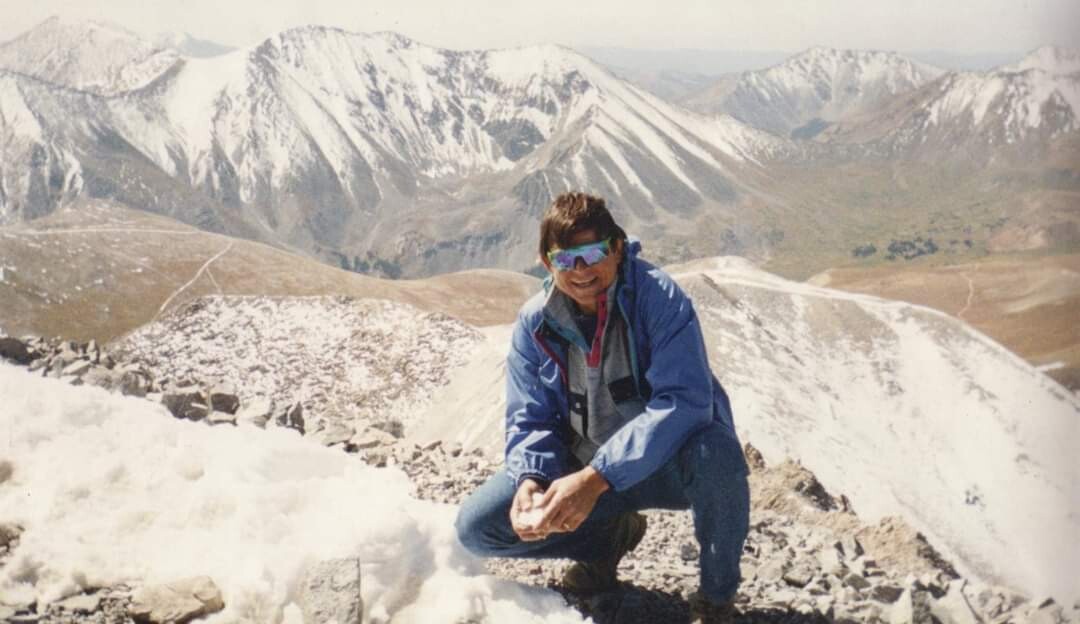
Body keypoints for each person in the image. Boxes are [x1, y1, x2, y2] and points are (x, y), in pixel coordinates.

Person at [455, 192, 750, 621]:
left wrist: (596, 479)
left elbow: (685, 403)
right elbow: (530, 417)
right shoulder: (535, 324)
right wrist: (531, 480)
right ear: (545, 261)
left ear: (616, 248)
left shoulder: (659, 298)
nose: (581, 270)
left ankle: (716, 599)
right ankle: (607, 540)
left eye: (592, 253)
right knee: (478, 528)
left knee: (717, 455)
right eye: (565, 258)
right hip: (587, 467)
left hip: (666, 466)